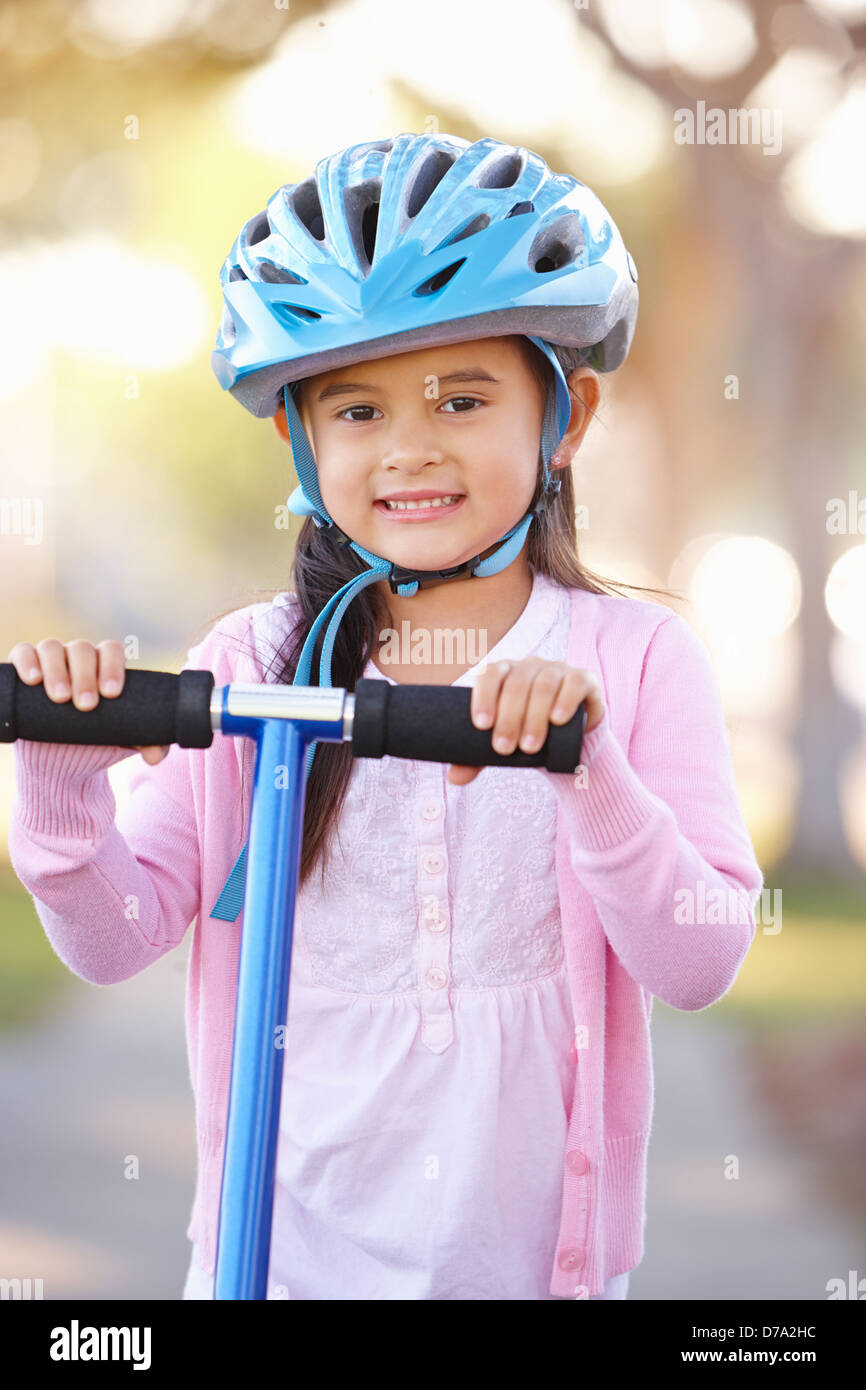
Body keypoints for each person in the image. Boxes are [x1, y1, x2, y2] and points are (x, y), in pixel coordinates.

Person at [7, 133, 764, 1301]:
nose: (409, 446)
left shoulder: (633, 658)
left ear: (566, 414)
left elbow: (702, 954)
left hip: (533, 1279)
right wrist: (61, 787)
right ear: (298, 440)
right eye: (355, 411)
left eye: (462, 398)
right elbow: (115, 938)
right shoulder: (254, 666)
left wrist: (590, 770)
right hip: (278, 1268)